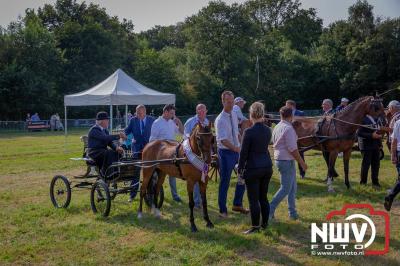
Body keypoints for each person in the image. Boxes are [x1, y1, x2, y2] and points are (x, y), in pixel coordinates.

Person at [238, 102, 273, 234]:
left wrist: (240, 169)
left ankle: (255, 227)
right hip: (267, 166)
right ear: (262, 114)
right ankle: (264, 224)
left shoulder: (248, 132)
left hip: (253, 168)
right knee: (263, 197)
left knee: (253, 200)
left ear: (251, 114)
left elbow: (243, 153)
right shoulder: (268, 130)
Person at [269, 106, 307, 221]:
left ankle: (293, 213)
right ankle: (270, 209)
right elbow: (293, 149)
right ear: (291, 116)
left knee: (292, 187)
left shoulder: (277, 127)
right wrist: (302, 163)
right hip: (286, 161)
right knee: (285, 188)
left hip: (281, 160)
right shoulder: (288, 128)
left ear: (281, 115)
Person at [215, 91, 248, 218]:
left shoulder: (234, 114)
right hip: (225, 153)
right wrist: (235, 148)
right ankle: (223, 210)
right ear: (223, 102)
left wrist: (241, 144)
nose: (230, 104)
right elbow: (223, 140)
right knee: (225, 181)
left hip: (237, 150)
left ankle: (237, 204)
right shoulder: (220, 119)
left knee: (242, 176)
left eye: (232, 101)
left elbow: (236, 132)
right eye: (228, 102)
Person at [149, 104, 184, 203]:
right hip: (160, 152)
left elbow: (182, 133)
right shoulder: (157, 123)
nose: (173, 115)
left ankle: (175, 195)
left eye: (173, 113)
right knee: (156, 175)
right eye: (171, 113)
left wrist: (179, 123)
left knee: (173, 173)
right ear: (165, 112)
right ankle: (154, 193)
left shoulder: (172, 122)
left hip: (171, 151)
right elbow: (152, 139)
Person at [124, 105, 155, 201]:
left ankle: (151, 194)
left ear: (145, 112)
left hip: (149, 150)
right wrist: (128, 137)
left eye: (141, 113)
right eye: (137, 113)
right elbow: (127, 131)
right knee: (135, 172)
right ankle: (132, 195)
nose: (139, 115)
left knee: (150, 172)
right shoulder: (133, 120)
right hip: (136, 149)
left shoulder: (152, 120)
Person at [184, 103, 209, 209]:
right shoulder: (190, 122)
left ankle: (200, 201)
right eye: (199, 110)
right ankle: (197, 202)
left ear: (206, 111)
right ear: (196, 111)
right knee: (195, 178)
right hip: (192, 154)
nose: (201, 112)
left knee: (202, 177)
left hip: (203, 153)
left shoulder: (207, 122)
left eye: (203, 110)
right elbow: (185, 135)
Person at [87, 111, 126, 176]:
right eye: (106, 120)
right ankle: (106, 172)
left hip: (102, 152)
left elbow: (109, 142)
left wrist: (116, 148)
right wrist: (119, 136)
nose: (108, 121)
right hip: (94, 152)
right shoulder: (94, 130)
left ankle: (115, 172)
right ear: (100, 121)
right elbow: (105, 138)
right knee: (109, 152)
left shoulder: (105, 130)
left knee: (117, 153)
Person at [357, 114, 382, 187]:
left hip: (376, 145)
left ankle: (375, 182)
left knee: (376, 164)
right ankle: (363, 182)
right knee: (366, 165)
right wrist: (371, 135)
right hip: (366, 145)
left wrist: (380, 144)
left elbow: (378, 130)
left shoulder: (376, 118)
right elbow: (359, 133)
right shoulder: (363, 118)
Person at [285, 100, 306, 178]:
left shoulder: (301, 113)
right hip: (288, 136)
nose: (286, 107)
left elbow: (304, 124)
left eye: (287, 105)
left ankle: (302, 173)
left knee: (300, 154)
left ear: (292, 105)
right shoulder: (286, 113)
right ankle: (290, 173)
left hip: (298, 137)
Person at [384, 118, 400, 211]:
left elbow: (394, 140)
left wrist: (393, 154)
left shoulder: (398, 122)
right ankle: (390, 196)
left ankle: (390, 196)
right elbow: (394, 140)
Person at [320, 99, 338, 180]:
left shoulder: (334, 113)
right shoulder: (324, 113)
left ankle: (330, 175)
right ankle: (332, 173)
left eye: (323, 104)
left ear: (328, 105)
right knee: (326, 157)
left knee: (329, 159)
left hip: (331, 140)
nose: (322, 106)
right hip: (324, 140)